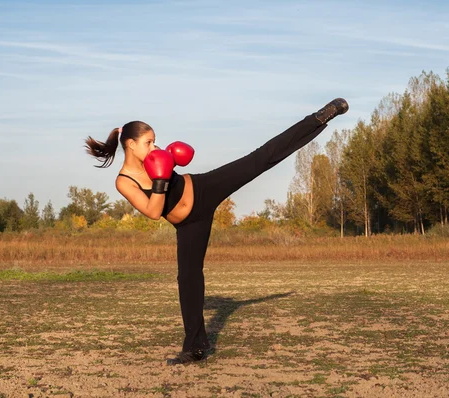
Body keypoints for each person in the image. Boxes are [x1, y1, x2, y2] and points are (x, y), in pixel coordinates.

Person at [84, 98, 349, 365]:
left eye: (155, 141)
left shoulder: (156, 157)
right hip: (189, 224)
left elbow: (178, 170)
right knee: (188, 279)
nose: (156, 147)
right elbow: (153, 212)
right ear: (130, 144)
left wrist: (170, 165)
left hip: (203, 188)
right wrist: (161, 179)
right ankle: (195, 348)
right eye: (149, 143)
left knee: (259, 158)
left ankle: (319, 118)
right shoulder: (124, 181)